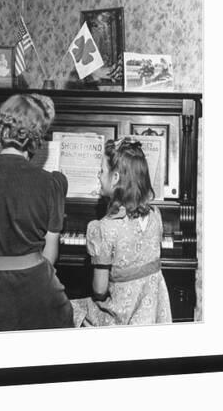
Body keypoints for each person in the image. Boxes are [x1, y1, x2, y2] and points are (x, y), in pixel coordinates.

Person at [0, 93, 74, 332]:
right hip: (38, 295)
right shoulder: (51, 183)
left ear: (1, 126)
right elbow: (49, 257)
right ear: (36, 134)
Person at [72, 137, 172, 327]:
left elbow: (100, 290)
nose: (98, 176)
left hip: (119, 319)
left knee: (70, 308)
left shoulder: (104, 227)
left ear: (116, 178)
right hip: (152, 318)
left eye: (102, 171)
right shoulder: (156, 215)